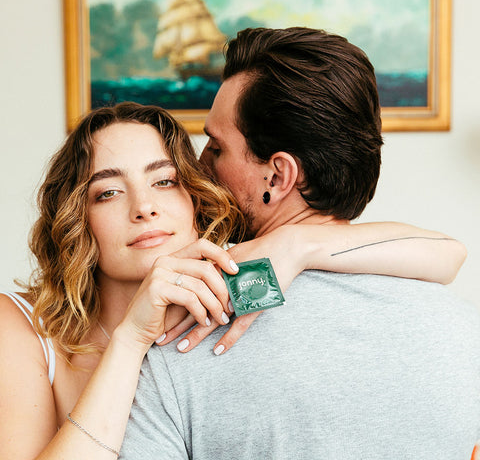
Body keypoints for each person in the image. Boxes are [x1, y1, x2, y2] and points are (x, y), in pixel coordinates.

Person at [0, 102, 467, 460]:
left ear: (195, 198)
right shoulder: (20, 326)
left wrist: (298, 243)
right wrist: (130, 338)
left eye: (164, 181)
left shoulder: (237, 274)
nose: (143, 207)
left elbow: (447, 253)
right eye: (108, 192)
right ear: (76, 218)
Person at [120, 28, 480, 459]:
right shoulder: (466, 332)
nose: (199, 165)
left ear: (278, 176)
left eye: (216, 147)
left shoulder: (182, 342)